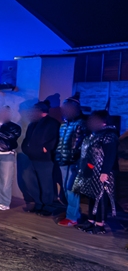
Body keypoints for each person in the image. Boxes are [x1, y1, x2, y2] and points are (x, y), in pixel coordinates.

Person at [72, 110, 117, 234]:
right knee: (92, 195)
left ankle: (100, 223)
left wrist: (105, 172)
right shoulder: (93, 134)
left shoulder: (109, 135)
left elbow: (110, 155)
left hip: (102, 171)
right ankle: (91, 220)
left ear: (103, 122)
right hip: (91, 170)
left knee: (101, 197)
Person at [21, 101, 61, 215]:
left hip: (45, 159)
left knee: (46, 184)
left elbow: (54, 139)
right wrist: (25, 148)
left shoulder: (52, 123)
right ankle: (38, 204)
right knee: (31, 181)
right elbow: (27, 139)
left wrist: (46, 149)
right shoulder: (32, 124)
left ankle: (47, 206)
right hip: (31, 157)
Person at [55, 94, 86, 227]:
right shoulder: (63, 124)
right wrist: (58, 155)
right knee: (66, 189)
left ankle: (72, 217)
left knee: (71, 189)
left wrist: (77, 159)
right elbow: (61, 142)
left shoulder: (82, 123)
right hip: (63, 160)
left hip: (74, 162)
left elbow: (83, 144)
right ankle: (73, 213)